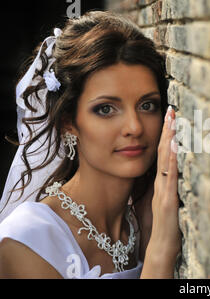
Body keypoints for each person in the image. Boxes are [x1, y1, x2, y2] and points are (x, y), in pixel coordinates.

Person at [0, 10, 181, 278]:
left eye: (147, 105)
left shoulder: (140, 223)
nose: (134, 127)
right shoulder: (28, 240)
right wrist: (161, 249)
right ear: (67, 123)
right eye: (106, 109)